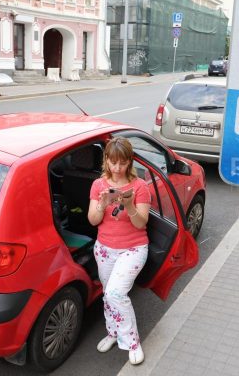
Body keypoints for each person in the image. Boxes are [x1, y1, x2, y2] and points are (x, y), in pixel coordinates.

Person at [88, 137, 151, 366]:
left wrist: (130, 205)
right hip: (104, 248)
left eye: (122, 163)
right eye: (113, 162)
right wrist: (102, 204)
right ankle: (113, 333)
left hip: (133, 249)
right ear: (106, 160)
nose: (117, 168)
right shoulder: (98, 185)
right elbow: (93, 220)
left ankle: (132, 342)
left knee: (115, 293)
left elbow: (140, 224)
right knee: (108, 293)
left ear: (129, 162)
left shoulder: (140, 187)